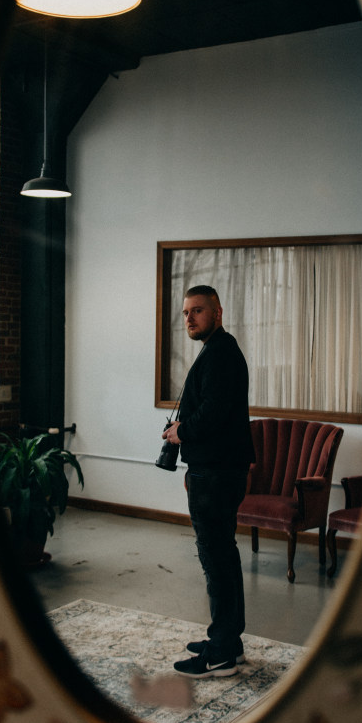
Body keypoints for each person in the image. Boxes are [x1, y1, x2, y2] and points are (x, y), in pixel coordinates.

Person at [162, 285, 254, 678]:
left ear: (217, 311)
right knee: (223, 557)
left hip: (215, 473)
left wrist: (182, 432)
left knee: (216, 560)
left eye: (197, 311)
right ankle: (228, 640)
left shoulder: (220, 353)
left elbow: (214, 413)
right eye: (185, 313)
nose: (189, 319)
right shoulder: (219, 350)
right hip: (220, 470)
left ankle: (220, 655)